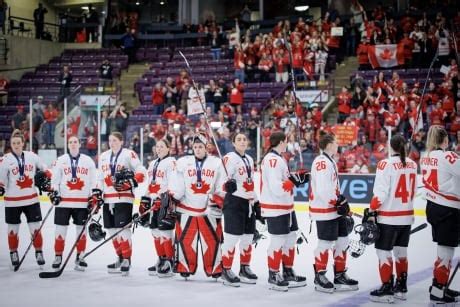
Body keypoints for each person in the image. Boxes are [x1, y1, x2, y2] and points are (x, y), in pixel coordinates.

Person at [366, 134, 417, 303]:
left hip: (388, 218)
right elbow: (414, 191)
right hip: (406, 216)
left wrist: (371, 210)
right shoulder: (412, 164)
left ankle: (386, 289)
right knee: (401, 252)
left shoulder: (385, 164)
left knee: (383, 252)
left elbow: (380, 194)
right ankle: (401, 288)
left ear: (391, 146)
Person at [169, 133, 225, 279]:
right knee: (186, 241)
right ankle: (185, 266)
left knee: (212, 241)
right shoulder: (183, 162)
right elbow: (179, 186)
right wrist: (172, 197)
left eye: (200, 146)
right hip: (186, 209)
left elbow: (220, 186)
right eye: (195, 147)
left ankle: (215, 268)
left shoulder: (217, 163)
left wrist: (221, 197)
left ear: (206, 148)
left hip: (209, 210)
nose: (198, 149)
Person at [309, 131, 358, 293]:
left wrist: (340, 202)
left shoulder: (330, 161)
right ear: (329, 145)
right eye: (336, 142)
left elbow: (331, 188)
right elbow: (323, 190)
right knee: (325, 243)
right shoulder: (322, 162)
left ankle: (339, 275)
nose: (338, 145)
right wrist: (337, 202)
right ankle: (320, 275)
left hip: (334, 210)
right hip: (324, 210)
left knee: (343, 241)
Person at [260, 131, 307, 292]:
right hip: (275, 207)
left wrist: (297, 178)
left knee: (290, 238)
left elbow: (284, 182)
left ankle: (287, 271)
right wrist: (293, 181)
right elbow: (277, 187)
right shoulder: (272, 159)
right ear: (282, 141)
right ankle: (273, 274)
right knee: (278, 240)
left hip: (286, 207)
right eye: (286, 140)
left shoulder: (279, 158)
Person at [420, 126, 460, 304]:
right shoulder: (447, 156)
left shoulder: (426, 156)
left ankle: (440, 286)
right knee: (446, 251)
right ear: (445, 141)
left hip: (432, 207)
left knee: (443, 250)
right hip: (448, 209)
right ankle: (438, 291)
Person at [98, 131, 147, 276]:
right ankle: (119, 257)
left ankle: (127, 259)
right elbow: (100, 178)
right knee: (112, 230)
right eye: (110, 140)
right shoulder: (104, 156)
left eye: (114, 140)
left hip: (124, 197)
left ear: (121, 141)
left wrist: (131, 182)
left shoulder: (128, 154)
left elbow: (141, 171)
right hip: (108, 198)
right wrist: (97, 193)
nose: (112, 143)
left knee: (123, 229)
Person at [0, 130, 51, 269]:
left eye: (18, 143)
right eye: (14, 143)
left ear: (23, 143)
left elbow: (45, 169)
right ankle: (13, 252)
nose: (16, 145)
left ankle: (39, 252)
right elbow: (1, 181)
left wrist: (48, 178)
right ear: (11, 144)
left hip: (31, 200)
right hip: (12, 202)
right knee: (12, 230)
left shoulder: (32, 156)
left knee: (35, 228)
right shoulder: (5, 160)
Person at [50, 136, 97, 271]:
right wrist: (55, 193)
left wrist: (93, 196)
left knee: (81, 231)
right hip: (63, 202)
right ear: (68, 144)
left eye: (75, 142)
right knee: (60, 230)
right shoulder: (61, 160)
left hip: (82, 202)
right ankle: (58, 256)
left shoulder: (88, 161)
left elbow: (93, 181)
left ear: (79, 144)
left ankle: (80, 256)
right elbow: (55, 180)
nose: (73, 144)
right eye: (70, 142)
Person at [220, 133, 259, 286]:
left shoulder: (249, 159)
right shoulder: (229, 158)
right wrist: (227, 185)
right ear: (233, 143)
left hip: (247, 203)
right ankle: (226, 269)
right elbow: (223, 178)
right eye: (239, 139)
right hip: (234, 202)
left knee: (248, 238)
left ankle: (244, 268)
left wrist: (256, 202)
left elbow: (250, 183)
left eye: (244, 139)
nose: (242, 141)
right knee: (231, 238)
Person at [144, 139, 176, 277]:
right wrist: (145, 199)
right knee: (155, 231)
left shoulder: (171, 162)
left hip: (165, 202)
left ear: (168, 148)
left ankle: (170, 261)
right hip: (153, 201)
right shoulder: (152, 164)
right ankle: (162, 258)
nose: (159, 149)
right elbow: (150, 184)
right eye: (157, 146)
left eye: (162, 146)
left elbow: (173, 183)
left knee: (165, 232)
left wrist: (164, 200)